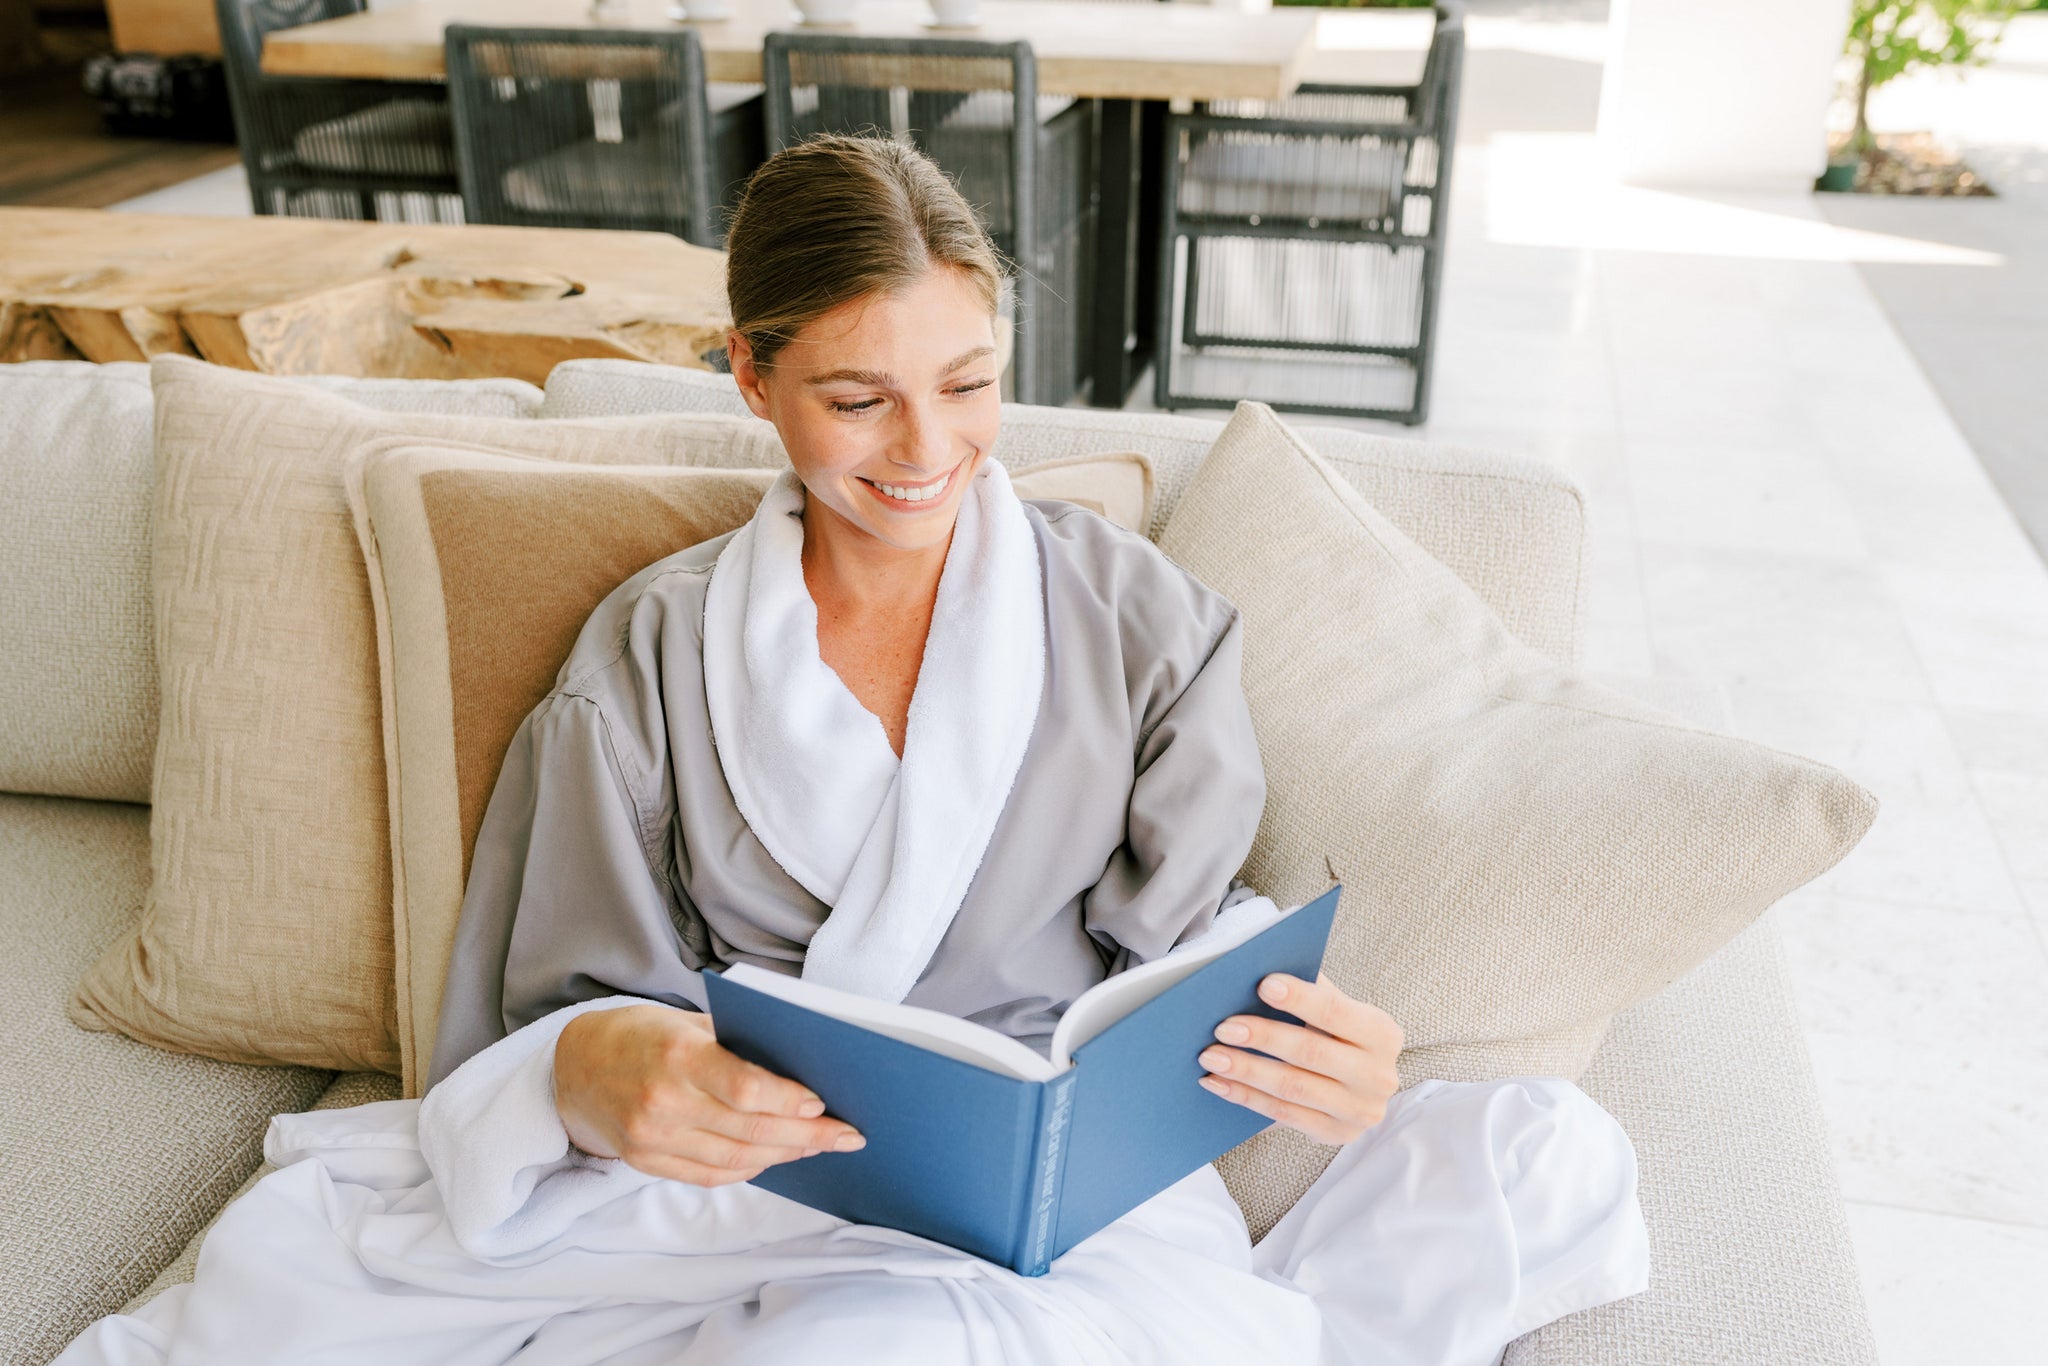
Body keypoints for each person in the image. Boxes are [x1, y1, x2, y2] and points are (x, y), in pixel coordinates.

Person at [58, 136, 1646, 1366]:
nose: (929, 450)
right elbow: (555, 1008)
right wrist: (612, 1073)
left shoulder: (1147, 625)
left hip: (1049, 1212)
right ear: (750, 378)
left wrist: (1307, 1042)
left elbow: (1189, 952)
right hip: (736, 1188)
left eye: (967, 385)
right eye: (856, 399)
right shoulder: (648, 655)